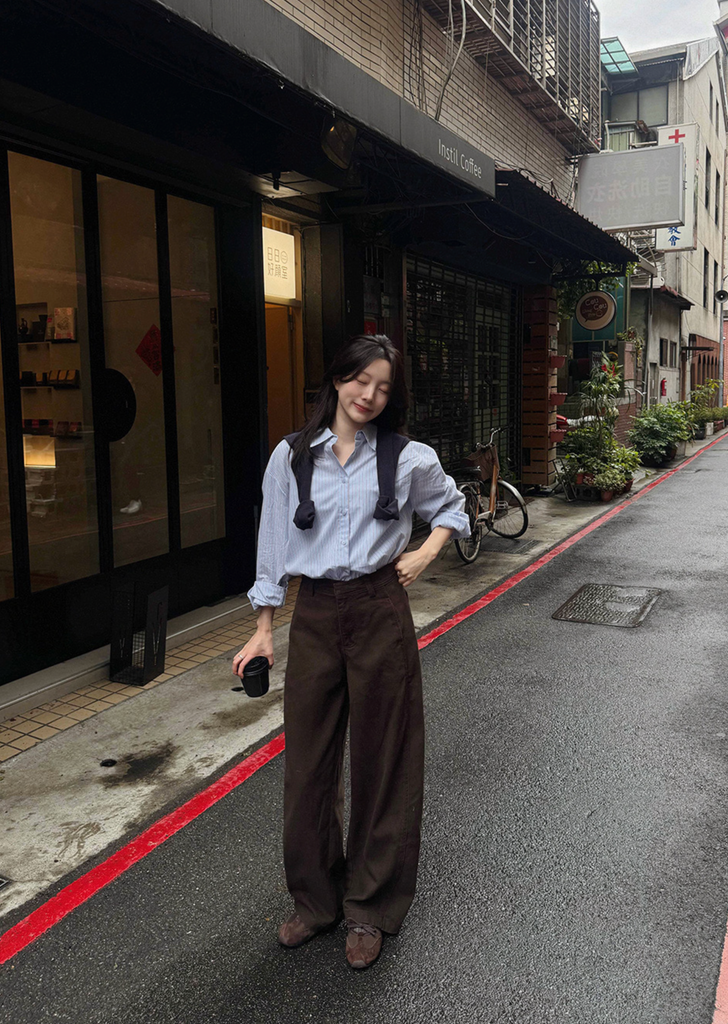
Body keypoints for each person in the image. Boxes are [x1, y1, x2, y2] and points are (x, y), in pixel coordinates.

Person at [233, 334, 469, 969]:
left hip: (379, 608)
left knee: (383, 757)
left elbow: (453, 507)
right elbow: (272, 541)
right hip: (313, 613)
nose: (370, 395)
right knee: (308, 762)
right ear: (338, 379)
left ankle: (371, 905)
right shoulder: (290, 457)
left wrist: (425, 550)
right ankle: (316, 901)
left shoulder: (408, 457)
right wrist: (263, 627)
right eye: (361, 380)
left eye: (384, 387)